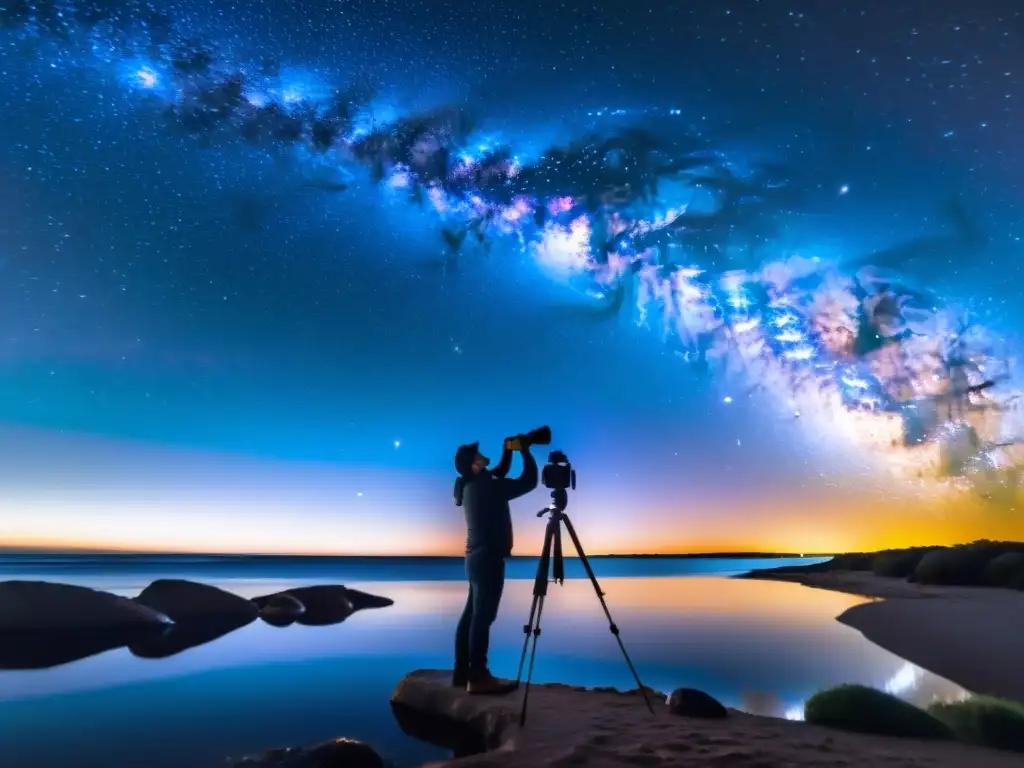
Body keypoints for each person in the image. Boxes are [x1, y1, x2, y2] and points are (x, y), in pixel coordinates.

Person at [452, 437, 538, 694]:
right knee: (483, 618)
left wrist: (507, 453)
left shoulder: (465, 484)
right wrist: (525, 452)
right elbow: (529, 482)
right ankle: (478, 678)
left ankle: (462, 673)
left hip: (474, 558)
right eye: (479, 455)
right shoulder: (487, 486)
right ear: (474, 464)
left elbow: (497, 472)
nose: (483, 456)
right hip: (488, 558)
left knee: (471, 616)